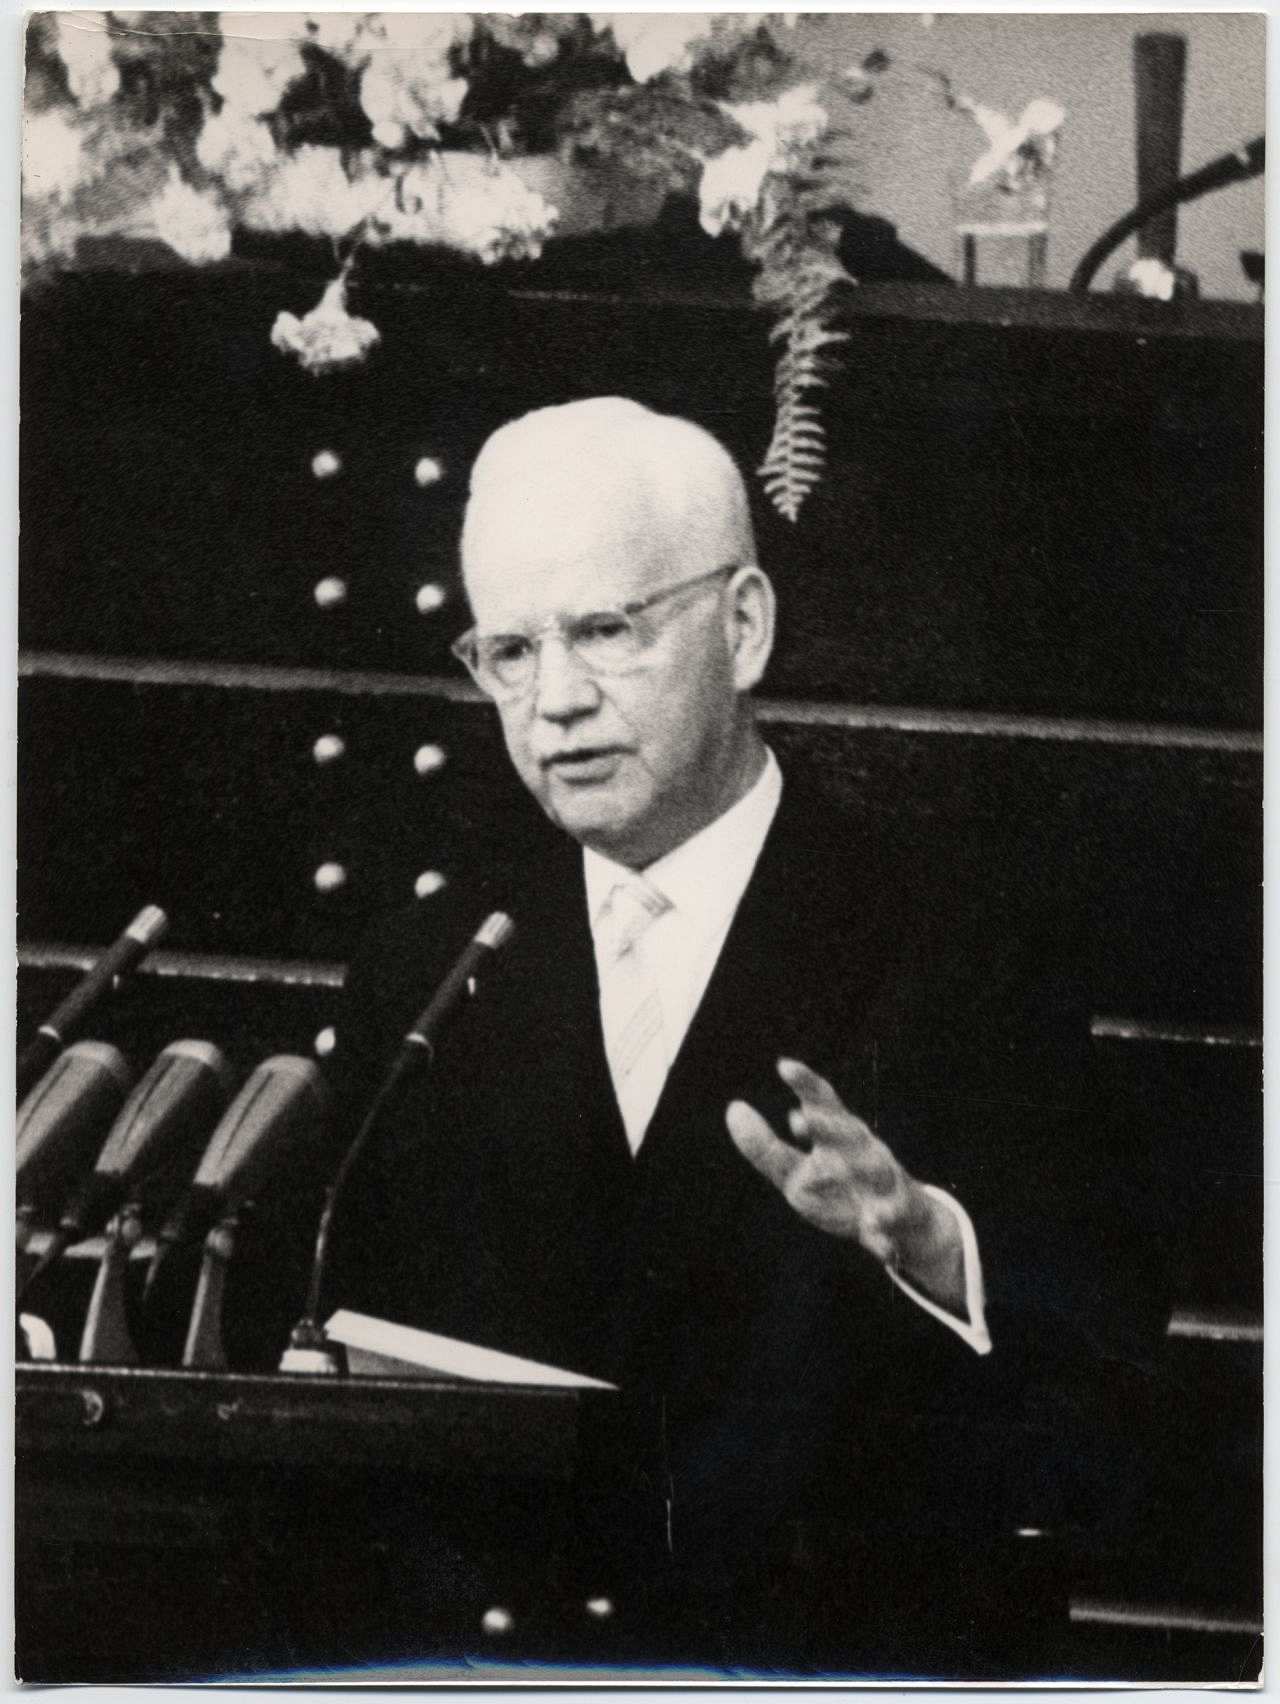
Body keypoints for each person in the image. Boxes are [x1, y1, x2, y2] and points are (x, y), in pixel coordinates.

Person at [330, 398, 1166, 1672]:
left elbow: (1104, 1367)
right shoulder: (430, 968)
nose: (554, 702)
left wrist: (929, 1240)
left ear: (743, 627)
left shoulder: (953, 942)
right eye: (508, 650)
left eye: (605, 632)